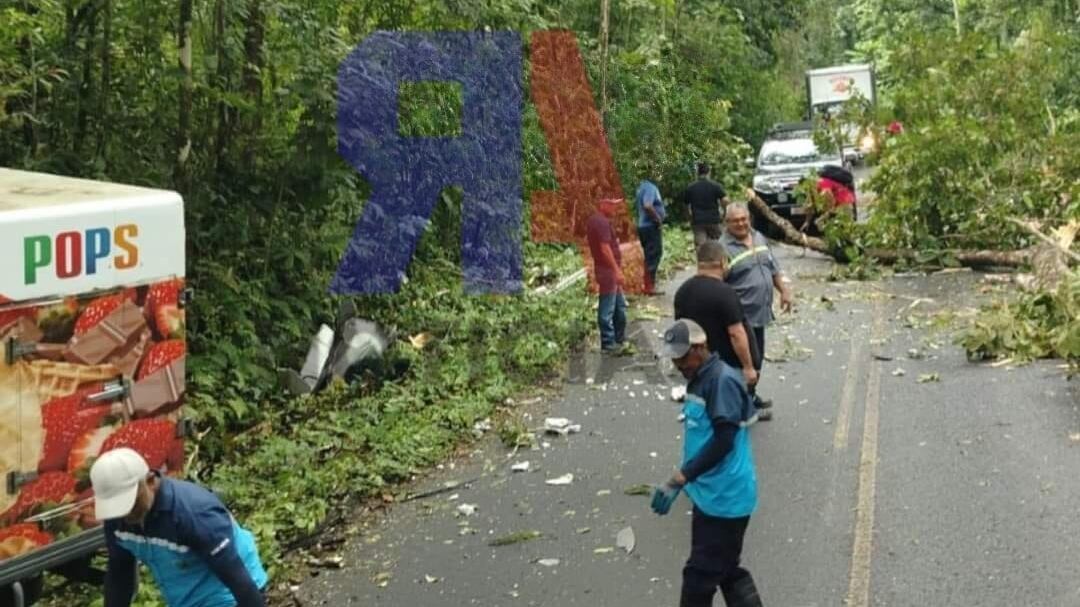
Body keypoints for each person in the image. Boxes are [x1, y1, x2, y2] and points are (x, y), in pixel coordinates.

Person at [651, 319, 763, 607]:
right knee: (724, 568)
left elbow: (724, 441)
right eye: (674, 358)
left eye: (682, 356)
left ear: (700, 348)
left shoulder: (720, 381)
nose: (678, 364)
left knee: (699, 577)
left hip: (725, 498)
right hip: (712, 495)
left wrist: (680, 477)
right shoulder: (701, 379)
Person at [91, 448, 268, 607]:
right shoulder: (117, 518)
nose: (126, 514)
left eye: (131, 503)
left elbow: (238, 581)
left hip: (228, 594)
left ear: (151, 481)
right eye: (118, 507)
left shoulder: (194, 513)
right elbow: (119, 573)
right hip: (185, 595)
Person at [674, 241, 771, 421]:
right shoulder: (725, 293)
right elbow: (736, 333)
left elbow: (681, 331)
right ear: (723, 262)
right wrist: (749, 367)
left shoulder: (682, 292)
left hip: (698, 364)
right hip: (727, 367)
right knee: (731, 416)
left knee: (704, 409)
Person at [721, 202, 793, 410]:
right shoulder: (722, 249)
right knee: (744, 362)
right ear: (727, 223)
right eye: (735, 221)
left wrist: (784, 291)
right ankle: (740, 404)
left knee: (756, 360)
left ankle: (749, 397)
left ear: (749, 218)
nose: (741, 224)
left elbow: (772, 267)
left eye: (744, 219)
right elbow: (716, 283)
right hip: (739, 317)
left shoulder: (759, 237)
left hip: (760, 313)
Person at [586, 197, 628, 354]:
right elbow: (604, 249)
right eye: (612, 205)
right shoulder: (601, 222)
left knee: (619, 306)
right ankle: (608, 342)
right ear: (602, 204)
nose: (615, 208)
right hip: (607, 270)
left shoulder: (596, 220)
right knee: (608, 307)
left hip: (607, 269)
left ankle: (618, 338)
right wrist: (616, 270)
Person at [679, 162, 730, 248]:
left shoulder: (691, 187)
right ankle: (718, 260)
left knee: (701, 247)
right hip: (713, 220)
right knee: (718, 245)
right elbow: (726, 200)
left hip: (698, 221)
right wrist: (724, 213)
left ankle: (703, 261)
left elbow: (685, 205)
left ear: (697, 172)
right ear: (709, 172)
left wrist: (689, 217)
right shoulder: (715, 185)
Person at [635, 177, 666, 296]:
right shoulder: (650, 188)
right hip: (650, 226)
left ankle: (648, 284)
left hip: (643, 226)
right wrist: (657, 219)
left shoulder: (642, 187)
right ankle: (649, 287)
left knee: (649, 256)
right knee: (654, 255)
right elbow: (647, 205)